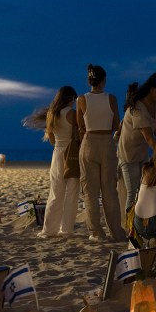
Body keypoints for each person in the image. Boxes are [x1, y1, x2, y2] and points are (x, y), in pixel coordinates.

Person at [76, 64, 124, 242]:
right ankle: (116, 231)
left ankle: (96, 232)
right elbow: (116, 124)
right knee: (110, 190)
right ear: (103, 80)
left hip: (89, 142)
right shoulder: (111, 98)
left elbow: (80, 126)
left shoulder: (81, 99)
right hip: (107, 142)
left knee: (90, 191)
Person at [117, 71, 156, 215]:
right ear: (152, 89)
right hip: (128, 154)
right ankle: (130, 228)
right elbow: (149, 137)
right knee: (132, 191)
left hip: (141, 153)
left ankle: (140, 222)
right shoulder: (138, 108)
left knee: (143, 190)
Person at [38, 85, 79, 238]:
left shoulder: (52, 114)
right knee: (72, 192)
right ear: (71, 99)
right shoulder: (72, 113)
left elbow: (52, 141)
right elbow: (78, 134)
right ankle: (66, 229)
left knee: (55, 193)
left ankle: (49, 230)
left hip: (57, 153)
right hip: (71, 153)